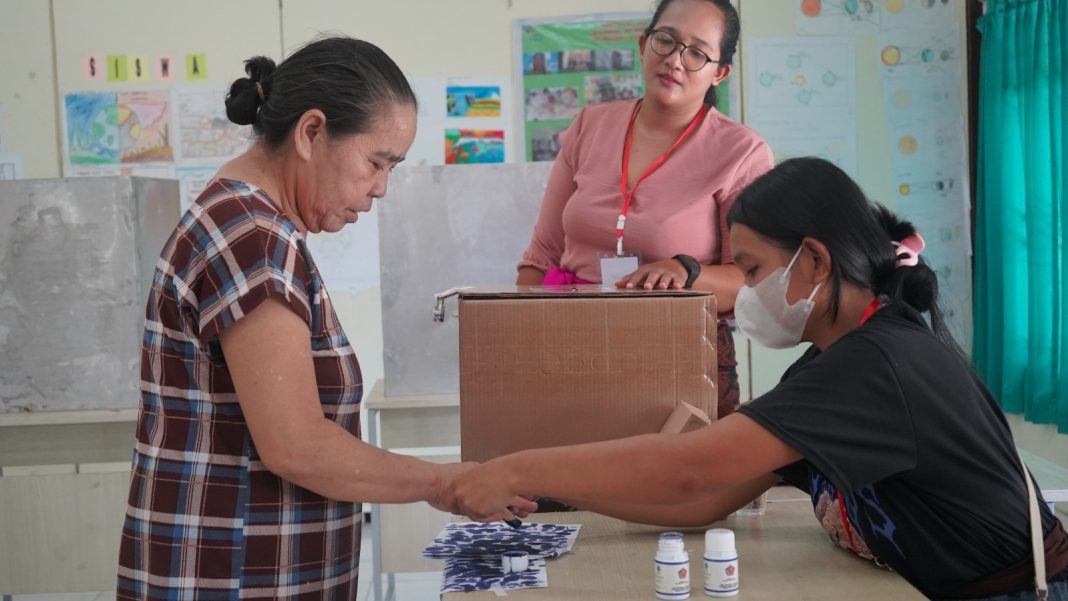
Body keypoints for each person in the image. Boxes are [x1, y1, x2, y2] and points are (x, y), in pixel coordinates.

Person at [454, 158, 1068, 599]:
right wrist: (550, 499)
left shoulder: (877, 364)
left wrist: (516, 467)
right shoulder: (832, 364)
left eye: (751, 271)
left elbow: (690, 466)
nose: (744, 293)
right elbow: (706, 498)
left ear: (815, 259)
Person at [115, 37, 519, 600]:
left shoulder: (247, 222)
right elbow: (296, 444)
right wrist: (446, 482)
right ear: (311, 132)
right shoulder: (253, 237)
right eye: (376, 163)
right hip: (228, 576)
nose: (380, 188)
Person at [516, 0, 774, 418]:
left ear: (719, 72)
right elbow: (542, 254)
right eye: (665, 40)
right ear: (642, 45)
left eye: (696, 53)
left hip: (681, 357)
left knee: (670, 481)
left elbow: (752, 280)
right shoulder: (589, 126)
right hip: (574, 352)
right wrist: (524, 345)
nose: (675, 60)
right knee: (568, 481)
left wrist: (685, 270)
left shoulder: (741, 152)